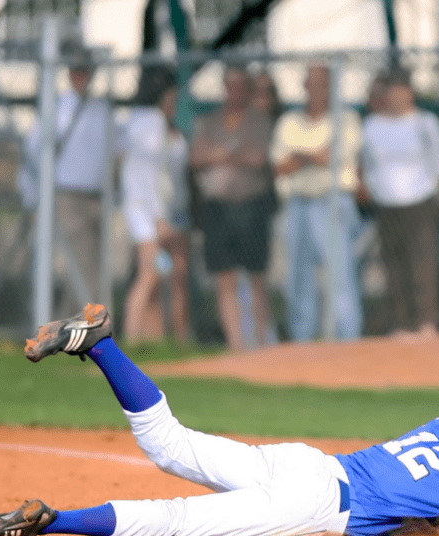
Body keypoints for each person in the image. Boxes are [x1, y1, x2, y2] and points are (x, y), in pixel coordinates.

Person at [0, 303, 439, 536]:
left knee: (167, 443)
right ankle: (51, 522)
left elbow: (434, 500)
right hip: (314, 502)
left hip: (305, 463)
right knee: (169, 518)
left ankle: (100, 344)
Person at [17, 37, 114, 317]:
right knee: (81, 266)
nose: (81, 77)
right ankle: (78, 324)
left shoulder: (99, 109)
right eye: (77, 71)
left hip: (97, 195)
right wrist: (33, 193)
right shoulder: (58, 109)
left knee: (94, 265)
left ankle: (77, 325)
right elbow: (33, 151)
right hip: (67, 195)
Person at [271, 63, 364, 341]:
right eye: (310, 82)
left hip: (333, 203)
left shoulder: (345, 119)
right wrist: (312, 156)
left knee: (339, 276)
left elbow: (331, 158)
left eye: (321, 83)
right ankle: (302, 342)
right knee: (298, 278)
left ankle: (347, 340)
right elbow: (280, 166)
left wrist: (299, 157)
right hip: (297, 203)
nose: (315, 88)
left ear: (330, 87)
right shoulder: (289, 121)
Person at [360, 67, 439, 340]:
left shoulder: (426, 123)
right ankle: (402, 324)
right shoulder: (372, 125)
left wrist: (432, 190)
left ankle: (426, 322)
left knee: (421, 261)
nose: (396, 97)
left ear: (410, 93)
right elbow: (367, 164)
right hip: (385, 203)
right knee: (393, 263)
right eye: (391, 91)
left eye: (401, 91)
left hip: (420, 201)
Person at [189, 64, 275, 351]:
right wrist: (233, 153)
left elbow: (257, 158)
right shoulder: (210, 120)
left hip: (251, 206)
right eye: (230, 85)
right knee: (223, 276)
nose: (234, 91)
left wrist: (219, 154)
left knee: (256, 276)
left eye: (240, 85)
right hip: (217, 208)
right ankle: (237, 345)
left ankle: (261, 343)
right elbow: (197, 156)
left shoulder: (260, 121)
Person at [119, 63, 191, 345]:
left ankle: (158, 340)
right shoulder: (151, 122)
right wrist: (159, 217)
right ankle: (132, 338)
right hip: (147, 212)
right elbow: (148, 176)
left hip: (162, 210)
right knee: (149, 275)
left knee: (166, 276)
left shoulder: (144, 121)